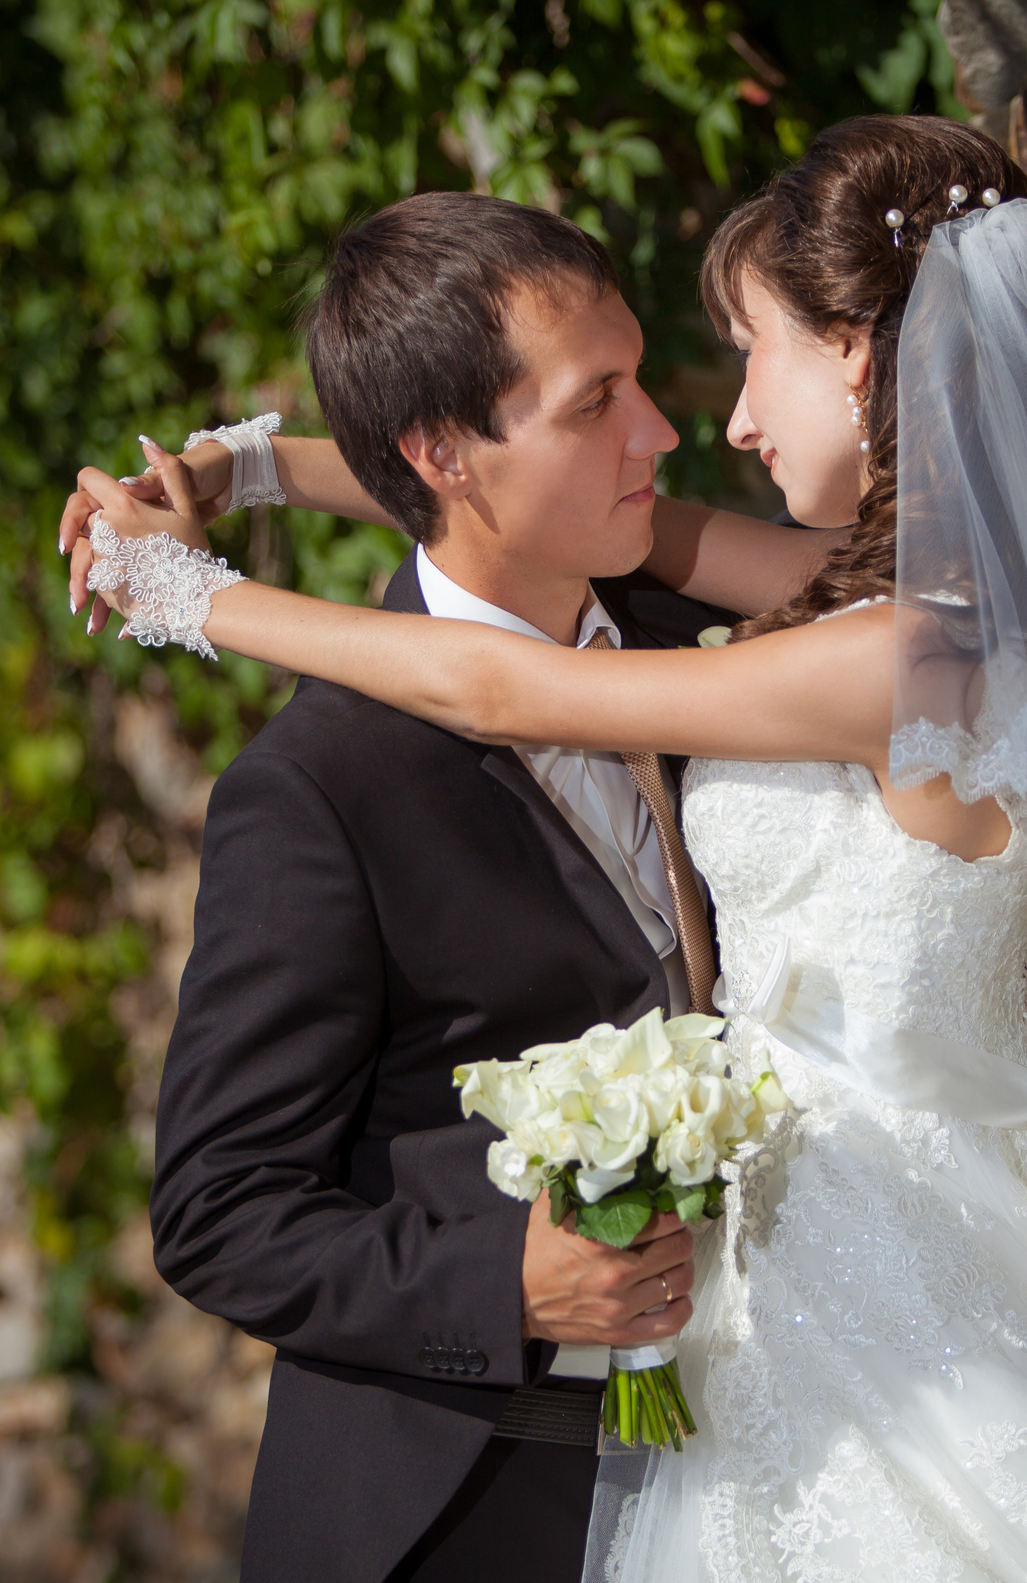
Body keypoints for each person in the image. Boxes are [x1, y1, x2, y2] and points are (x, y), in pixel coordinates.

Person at [70, 0, 1027, 1583]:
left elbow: (495, 675)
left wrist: (185, 599)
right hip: (742, 1344)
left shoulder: (894, 656)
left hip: (889, 1290)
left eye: (737, 357)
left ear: (871, 364)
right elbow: (557, 509)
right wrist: (247, 467)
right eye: (623, 396)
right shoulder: (878, 598)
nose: (698, 422)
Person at [137, 184, 765, 1583]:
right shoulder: (316, 792)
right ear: (444, 455)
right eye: (595, 402)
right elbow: (219, 1209)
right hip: (473, 1507)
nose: (659, 430)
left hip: (760, 1455)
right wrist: (507, 1284)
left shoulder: (693, 635)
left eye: (642, 381)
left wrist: (252, 467)